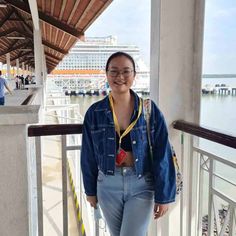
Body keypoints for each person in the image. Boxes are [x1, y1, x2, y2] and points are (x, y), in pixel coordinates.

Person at [81, 52, 176, 236]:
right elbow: (88, 155)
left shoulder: (149, 110)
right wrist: (90, 190)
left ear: (134, 75)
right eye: (114, 71)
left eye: (126, 71)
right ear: (106, 74)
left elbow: (162, 153)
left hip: (141, 184)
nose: (120, 77)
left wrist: (164, 196)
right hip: (107, 185)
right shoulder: (94, 112)